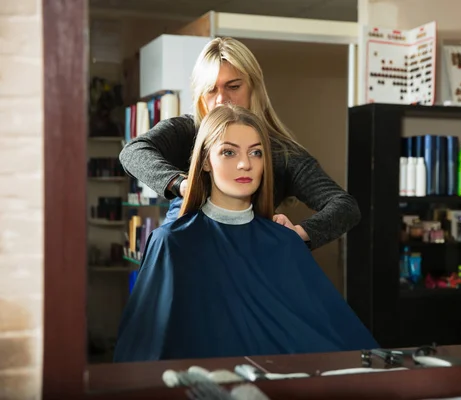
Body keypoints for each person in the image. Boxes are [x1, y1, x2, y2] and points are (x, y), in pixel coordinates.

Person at [112, 105, 379, 362]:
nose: (245, 164)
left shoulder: (284, 243)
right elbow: (145, 350)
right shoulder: (172, 243)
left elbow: (329, 334)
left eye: (256, 153)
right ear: (205, 161)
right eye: (229, 153)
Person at [119, 37, 360, 250]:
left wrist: (299, 235)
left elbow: (344, 206)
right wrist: (183, 185)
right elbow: (133, 152)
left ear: (254, 88)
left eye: (233, 86)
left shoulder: (283, 154)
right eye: (211, 90)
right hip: (186, 260)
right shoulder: (186, 132)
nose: (222, 99)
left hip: (249, 268)